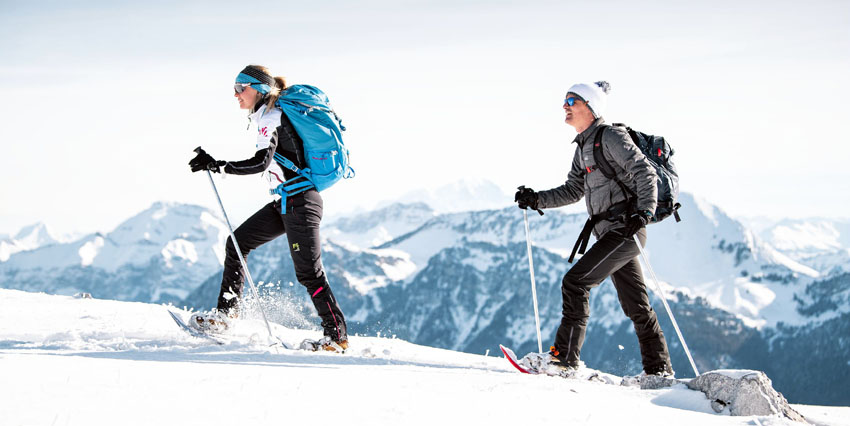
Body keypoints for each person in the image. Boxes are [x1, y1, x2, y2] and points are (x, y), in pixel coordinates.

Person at [514, 81, 673, 376]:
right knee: (637, 305)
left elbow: (644, 172)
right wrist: (537, 199)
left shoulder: (610, 136)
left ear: (591, 106)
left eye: (572, 100)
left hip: (626, 229)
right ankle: (659, 370)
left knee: (575, 282)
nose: (565, 105)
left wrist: (645, 211)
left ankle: (563, 359)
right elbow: (574, 190)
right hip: (610, 232)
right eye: (565, 99)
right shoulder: (583, 147)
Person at [188, 65, 348, 352]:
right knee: (236, 244)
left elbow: (260, 162)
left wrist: (217, 165)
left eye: (241, 87)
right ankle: (224, 316)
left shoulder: (271, 116)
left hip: (300, 203)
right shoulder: (269, 115)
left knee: (309, 273)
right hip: (286, 201)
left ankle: (336, 337)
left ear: (259, 89)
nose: (236, 94)